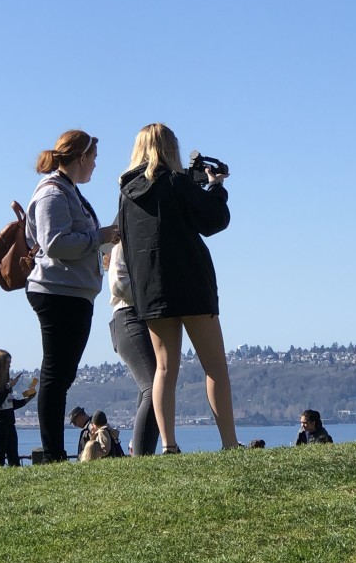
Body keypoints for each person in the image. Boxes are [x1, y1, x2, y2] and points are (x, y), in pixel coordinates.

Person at [119, 123, 240, 453]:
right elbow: (213, 220)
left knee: (164, 368)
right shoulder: (177, 183)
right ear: (169, 148)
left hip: (152, 290)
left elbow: (126, 243)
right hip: (191, 284)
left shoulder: (126, 194)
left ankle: (169, 445)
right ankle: (229, 444)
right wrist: (216, 187)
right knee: (214, 366)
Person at [25, 130, 119, 462]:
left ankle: (54, 451)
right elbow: (55, 244)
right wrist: (99, 236)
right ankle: (53, 453)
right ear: (81, 157)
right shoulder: (53, 193)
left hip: (72, 293)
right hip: (56, 292)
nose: (96, 163)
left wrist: (101, 247)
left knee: (61, 374)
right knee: (56, 373)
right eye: (93, 157)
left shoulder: (69, 191)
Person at [108, 242, 160, 456]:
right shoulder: (122, 246)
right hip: (129, 317)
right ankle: (141, 456)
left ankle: (143, 453)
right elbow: (119, 286)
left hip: (148, 319)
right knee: (153, 387)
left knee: (152, 386)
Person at [0, 350, 37, 466]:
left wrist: (27, 399)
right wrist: (8, 388)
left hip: (9, 422)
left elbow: (9, 404)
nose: (9, 367)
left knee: (13, 456)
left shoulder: (5, 381)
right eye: (7, 363)